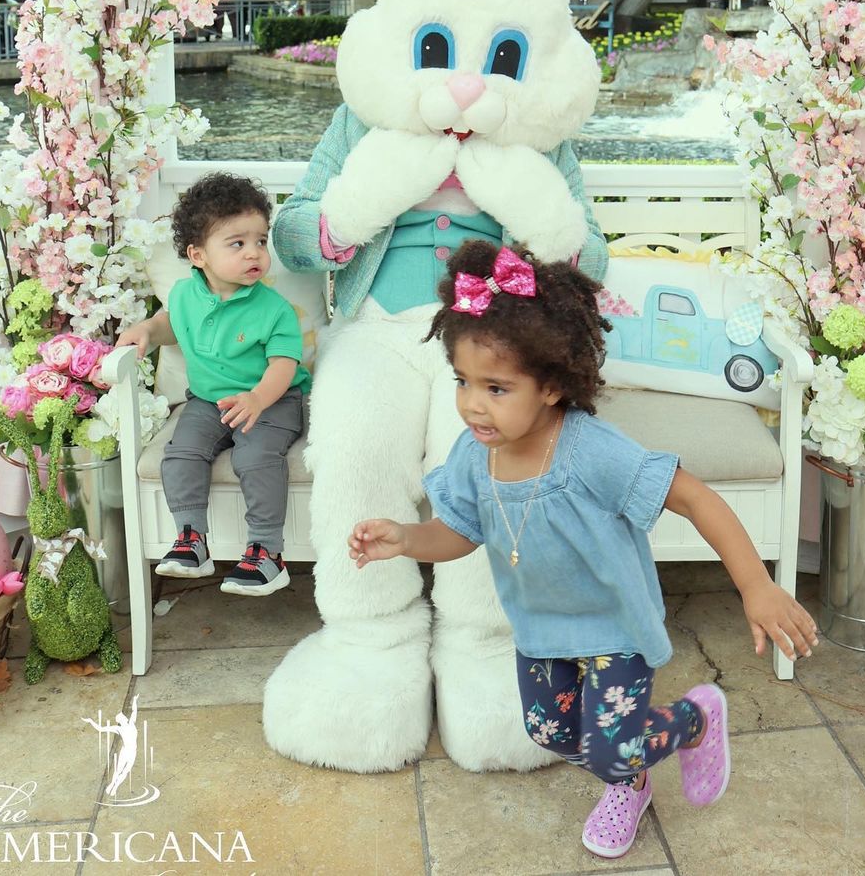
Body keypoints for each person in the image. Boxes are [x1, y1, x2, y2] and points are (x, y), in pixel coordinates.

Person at [349, 239, 818, 861]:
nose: (471, 404)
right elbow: (461, 531)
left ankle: (689, 725)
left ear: (550, 386)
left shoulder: (591, 450)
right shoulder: (475, 454)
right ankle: (632, 770)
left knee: (613, 751)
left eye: (496, 388)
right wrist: (407, 539)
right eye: (463, 381)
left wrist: (757, 587)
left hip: (613, 628)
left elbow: (695, 498)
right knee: (548, 730)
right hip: (541, 629)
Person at [116, 173, 310, 596]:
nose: (254, 252)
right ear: (198, 254)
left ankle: (267, 552)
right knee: (180, 453)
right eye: (237, 243)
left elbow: (283, 364)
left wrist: (257, 398)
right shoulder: (185, 294)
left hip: (272, 400)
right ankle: (191, 539)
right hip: (208, 402)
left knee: (255, 457)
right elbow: (172, 323)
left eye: (260, 241)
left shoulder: (274, 309)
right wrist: (147, 329)